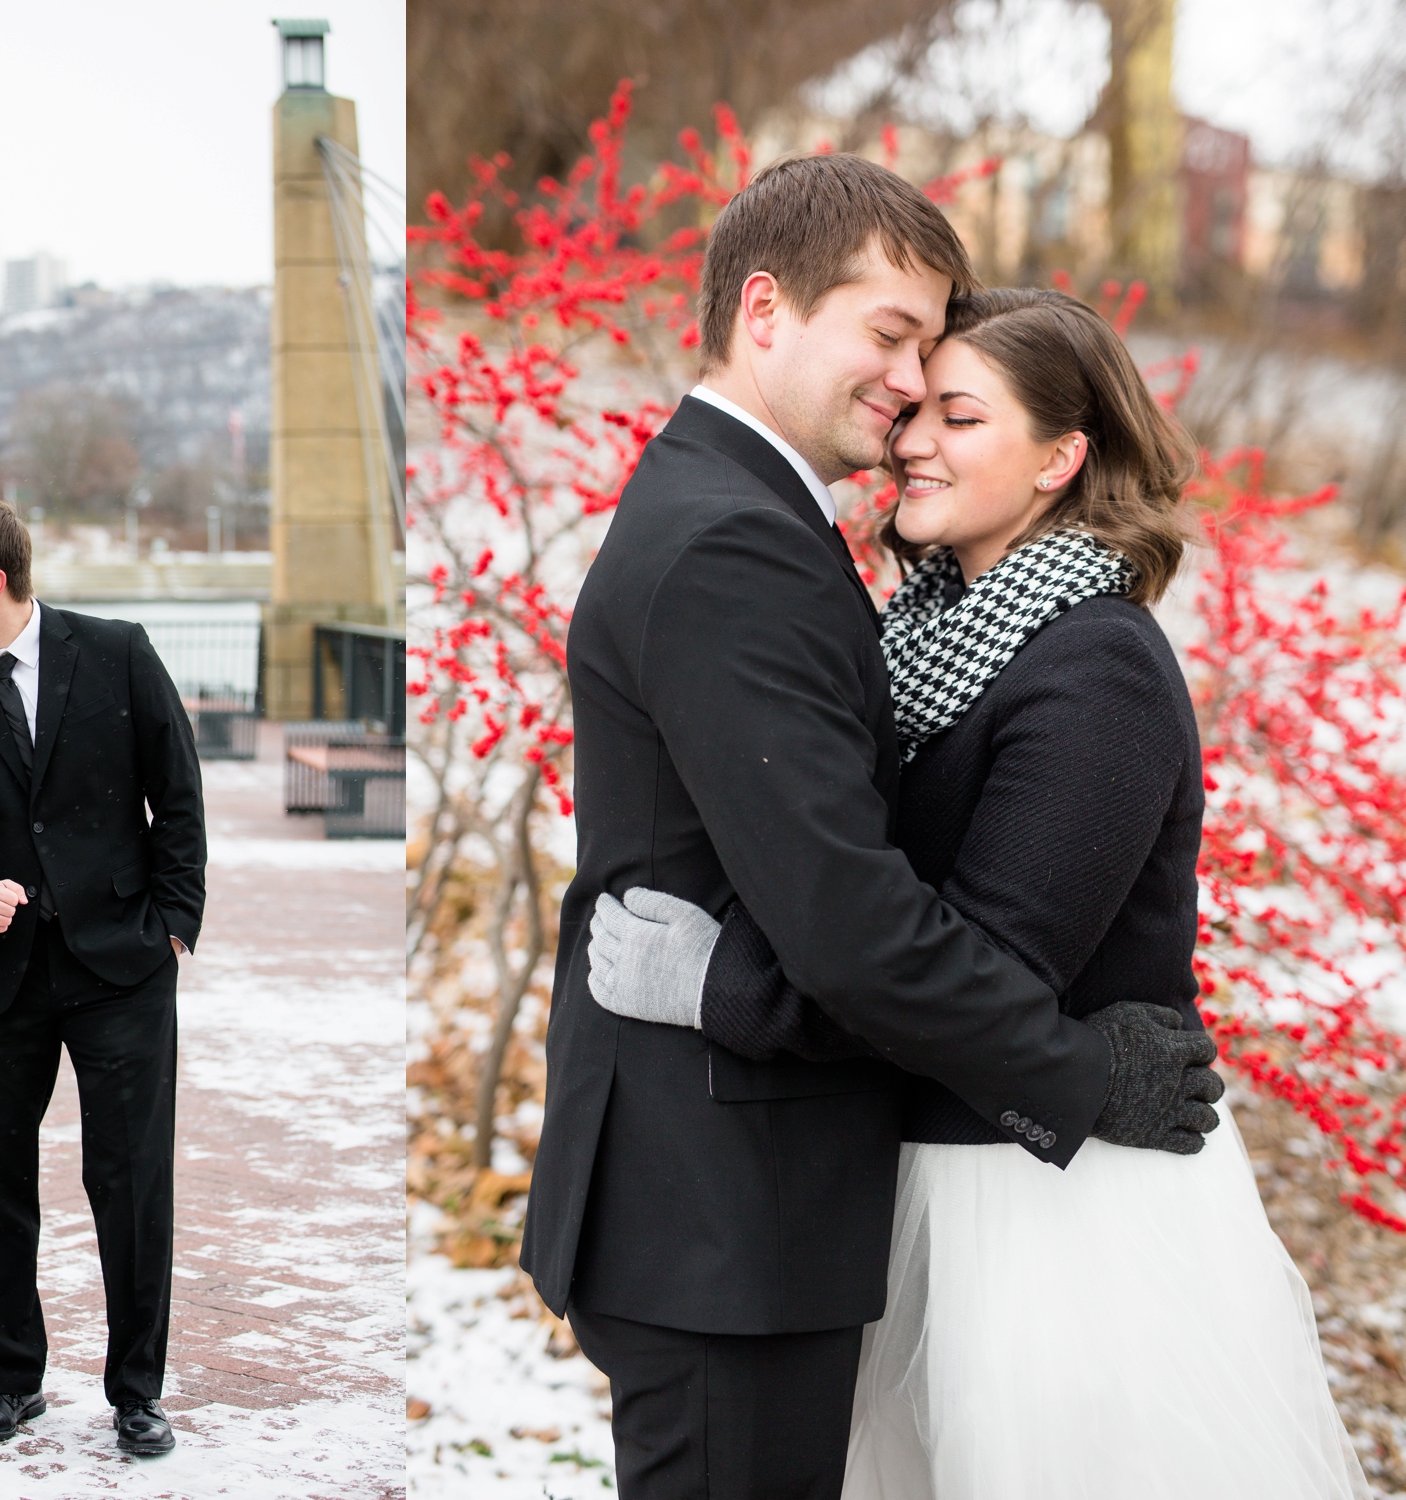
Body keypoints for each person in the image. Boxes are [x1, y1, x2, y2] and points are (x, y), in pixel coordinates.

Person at [517, 154, 1224, 1500]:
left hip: (805, 1208)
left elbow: (899, 911)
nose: (907, 405)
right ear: (765, 310)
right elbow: (859, 926)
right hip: (728, 1216)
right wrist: (1076, 1073)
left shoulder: (1011, 634)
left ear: (1061, 457)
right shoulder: (743, 542)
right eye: (893, 342)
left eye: (950, 390)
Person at [589, 287, 1368, 1498]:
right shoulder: (928, 632)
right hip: (925, 1169)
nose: (910, 441)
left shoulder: (1094, 666)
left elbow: (981, 963)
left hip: (1055, 1207)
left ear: (1060, 456)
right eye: (914, 411)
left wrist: (720, 987)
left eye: (958, 416)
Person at [0, 495, 206, 1456]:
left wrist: (174, 927)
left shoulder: (115, 650)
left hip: (122, 966)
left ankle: (136, 1392)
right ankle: (9, 1381)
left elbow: (178, 790)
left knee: (131, 1181)